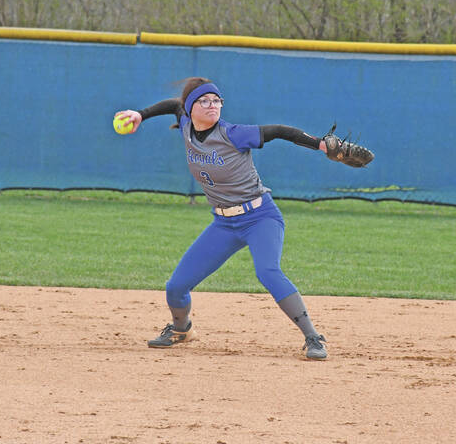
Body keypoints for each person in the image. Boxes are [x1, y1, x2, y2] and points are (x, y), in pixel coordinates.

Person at [114, 77, 331, 359]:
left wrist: (319, 145)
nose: (212, 105)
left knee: (267, 271)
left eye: (217, 100)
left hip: (260, 217)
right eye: (204, 101)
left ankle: (313, 337)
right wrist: (140, 115)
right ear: (191, 108)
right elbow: (173, 105)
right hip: (224, 224)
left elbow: (278, 131)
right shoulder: (186, 125)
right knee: (176, 286)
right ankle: (182, 329)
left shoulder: (233, 134)